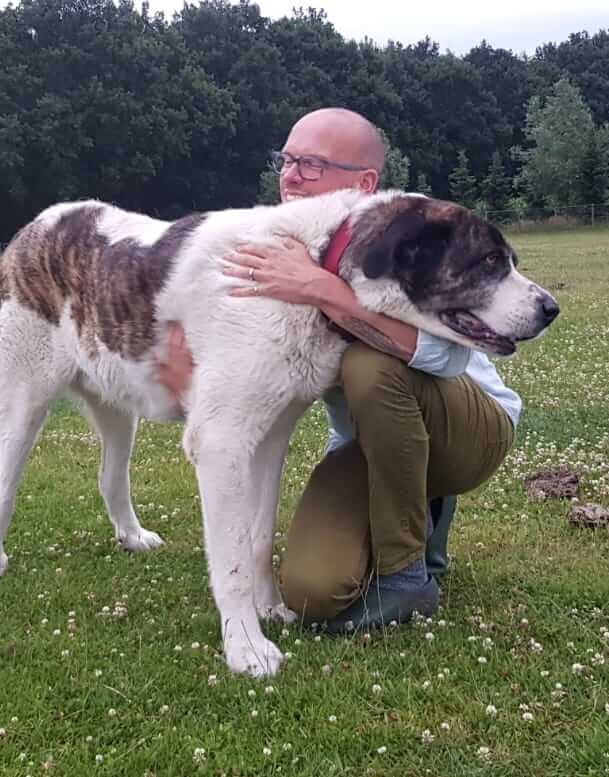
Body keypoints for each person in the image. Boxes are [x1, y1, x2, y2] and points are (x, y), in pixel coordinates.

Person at [156, 107, 520, 631]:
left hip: (467, 430)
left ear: (364, 183)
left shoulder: (412, 233)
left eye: (312, 164)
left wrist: (323, 290)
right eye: (286, 160)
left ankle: (406, 574)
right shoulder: (281, 243)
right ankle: (414, 514)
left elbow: (449, 358)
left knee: (370, 363)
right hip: (366, 443)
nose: (291, 176)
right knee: (313, 592)